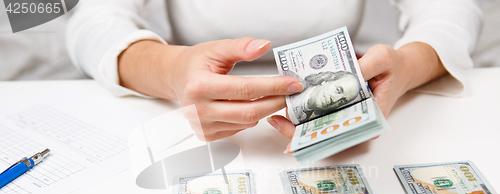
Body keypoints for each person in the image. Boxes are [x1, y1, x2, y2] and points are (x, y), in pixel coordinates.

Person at [66, 0, 483, 141]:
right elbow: (93, 22)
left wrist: (405, 67)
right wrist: (169, 68)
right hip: (190, 125)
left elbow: (451, 9)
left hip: (350, 108)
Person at [286, 71, 362, 123]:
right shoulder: (291, 80)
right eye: (338, 90)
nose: (335, 100)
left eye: (342, 101)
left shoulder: (308, 119)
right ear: (326, 81)